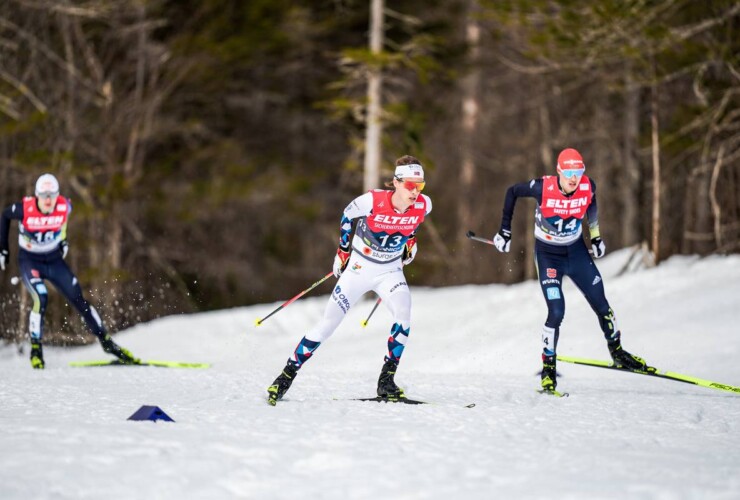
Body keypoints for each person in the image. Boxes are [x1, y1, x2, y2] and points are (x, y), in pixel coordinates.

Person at [267, 155, 432, 405]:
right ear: (397, 182)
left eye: (419, 186)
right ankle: (285, 376)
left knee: (404, 313)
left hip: (390, 271)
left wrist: (411, 243)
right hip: (359, 268)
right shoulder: (372, 200)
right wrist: (342, 253)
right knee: (328, 324)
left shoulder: (424, 204)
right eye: (410, 185)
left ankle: (386, 381)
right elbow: (347, 216)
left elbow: (414, 223)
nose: (415, 192)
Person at [491, 148, 653, 393]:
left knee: (601, 303)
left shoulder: (588, 186)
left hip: (576, 252)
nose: (574, 178)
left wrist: (596, 238)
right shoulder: (542, 188)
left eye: (578, 172)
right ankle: (548, 370)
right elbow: (512, 192)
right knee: (557, 310)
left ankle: (617, 351)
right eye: (568, 172)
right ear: (558, 171)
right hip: (548, 255)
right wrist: (505, 230)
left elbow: (592, 204)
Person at [0, 173, 139, 369]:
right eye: (44, 195)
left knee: (79, 299)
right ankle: (36, 351)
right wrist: (3, 248)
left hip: (54, 260)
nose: (48, 200)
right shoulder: (24, 209)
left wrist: (63, 240)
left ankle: (107, 342)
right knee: (41, 297)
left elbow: (62, 223)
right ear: (36, 195)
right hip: (30, 260)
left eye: (52, 195)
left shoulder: (65, 206)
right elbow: (5, 216)